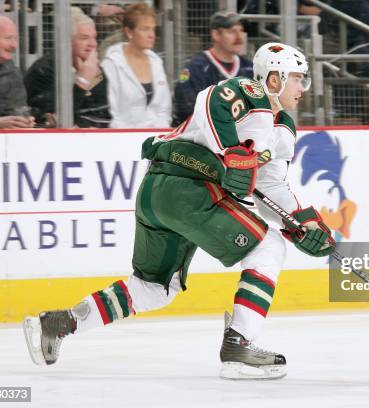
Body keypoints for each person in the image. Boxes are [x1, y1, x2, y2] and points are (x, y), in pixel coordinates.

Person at [23, 42, 335, 381]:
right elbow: (211, 100)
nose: (302, 88)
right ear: (273, 79)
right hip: (188, 187)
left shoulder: (283, 129)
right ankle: (239, 345)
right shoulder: (251, 92)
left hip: (161, 193)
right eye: (297, 79)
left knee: (154, 289)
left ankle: (58, 323)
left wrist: (301, 222)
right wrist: (231, 150)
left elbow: (270, 186)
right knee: (267, 247)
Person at [24, 7, 111, 128]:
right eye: (84, 38)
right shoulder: (43, 71)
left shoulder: (95, 67)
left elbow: (103, 113)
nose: (93, 44)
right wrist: (82, 81)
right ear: (66, 40)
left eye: (94, 38)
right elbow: (53, 117)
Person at [172, 11, 253, 126]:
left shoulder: (249, 69)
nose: (239, 37)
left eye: (241, 30)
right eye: (232, 31)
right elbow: (185, 111)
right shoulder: (195, 68)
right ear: (216, 35)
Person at [101, 3, 171, 128]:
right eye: (145, 29)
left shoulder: (157, 62)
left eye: (153, 29)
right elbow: (111, 113)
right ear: (129, 32)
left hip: (155, 139)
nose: (152, 35)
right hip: (122, 139)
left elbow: (164, 109)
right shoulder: (111, 64)